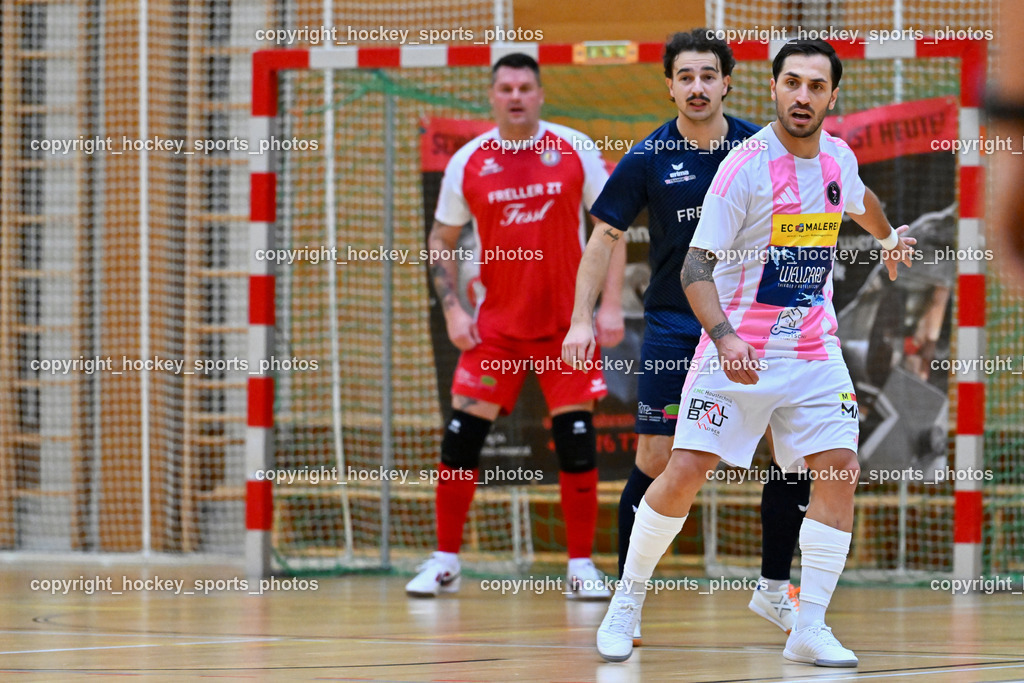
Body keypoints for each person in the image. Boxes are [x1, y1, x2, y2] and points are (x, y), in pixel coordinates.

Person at [592, 39, 916, 666]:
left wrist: (888, 235)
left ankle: (809, 626)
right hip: (738, 349)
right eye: (791, 83)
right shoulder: (744, 166)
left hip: (813, 350)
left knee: (839, 470)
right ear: (772, 88)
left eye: (815, 87)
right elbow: (694, 266)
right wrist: (725, 337)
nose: (802, 96)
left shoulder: (837, 158)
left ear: (832, 96)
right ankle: (626, 601)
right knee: (681, 472)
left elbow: (860, 198)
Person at [563, 28, 810, 644]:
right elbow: (602, 238)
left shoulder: (763, 145)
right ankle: (628, 599)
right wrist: (580, 318)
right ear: (669, 85)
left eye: (708, 75)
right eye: (685, 77)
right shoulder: (648, 157)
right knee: (657, 459)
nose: (697, 87)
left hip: (758, 324)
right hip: (678, 326)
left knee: (795, 454)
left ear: (728, 81)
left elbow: (813, 220)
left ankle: (775, 591)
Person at [406, 52, 626, 600]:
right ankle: (446, 560)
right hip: (495, 330)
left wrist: (610, 305)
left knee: (576, 441)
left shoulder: (573, 148)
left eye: (526, 87)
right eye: (506, 87)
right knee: (461, 438)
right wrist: (454, 309)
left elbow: (611, 226)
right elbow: (440, 240)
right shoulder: (469, 162)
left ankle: (580, 567)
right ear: (492, 95)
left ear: (540, 94)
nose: (516, 96)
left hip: (566, 328)